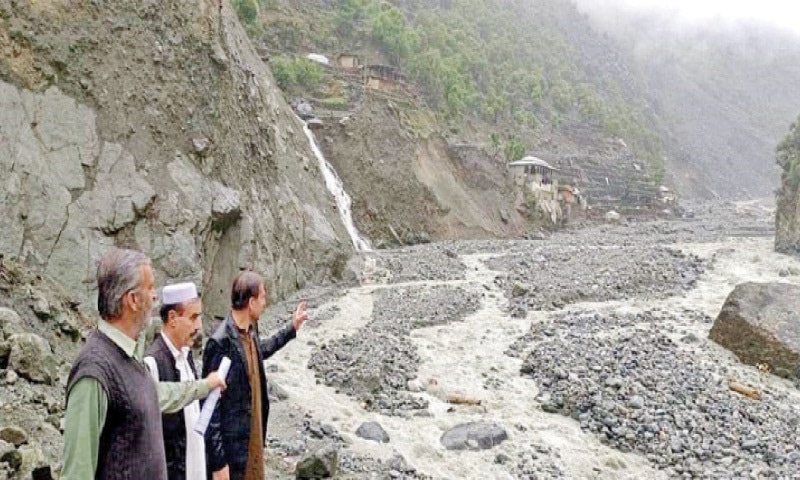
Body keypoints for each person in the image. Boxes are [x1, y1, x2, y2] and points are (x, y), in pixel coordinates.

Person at [62, 248, 226, 480]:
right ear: (133, 300)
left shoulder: (130, 359)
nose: (155, 297)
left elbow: (159, 394)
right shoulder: (94, 371)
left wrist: (205, 386)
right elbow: (77, 473)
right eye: (149, 288)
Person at [203, 271, 308, 480]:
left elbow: (262, 351)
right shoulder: (221, 342)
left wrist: (291, 329)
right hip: (234, 451)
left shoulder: (250, 330)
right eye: (263, 297)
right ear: (251, 302)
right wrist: (218, 463)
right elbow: (209, 407)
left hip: (252, 439)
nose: (265, 303)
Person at [143, 282, 208, 480]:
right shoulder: (152, 363)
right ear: (172, 318)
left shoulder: (186, 356)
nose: (198, 326)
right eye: (193, 318)